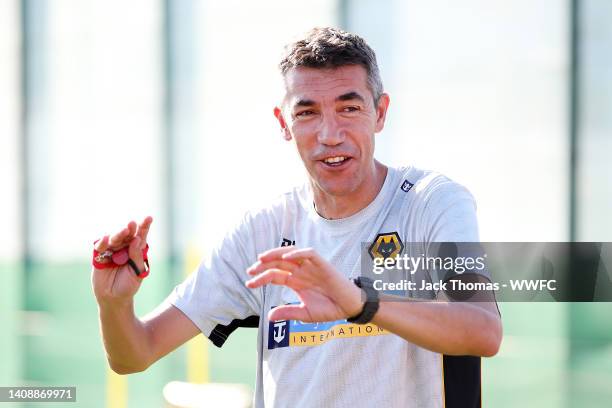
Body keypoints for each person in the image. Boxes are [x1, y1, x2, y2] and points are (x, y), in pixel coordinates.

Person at [91, 27, 502, 408]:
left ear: (379, 112)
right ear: (283, 123)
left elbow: (483, 329)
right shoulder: (263, 230)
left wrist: (359, 303)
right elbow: (135, 354)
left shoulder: (432, 202)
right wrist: (114, 303)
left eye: (349, 108)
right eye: (307, 113)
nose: (330, 133)